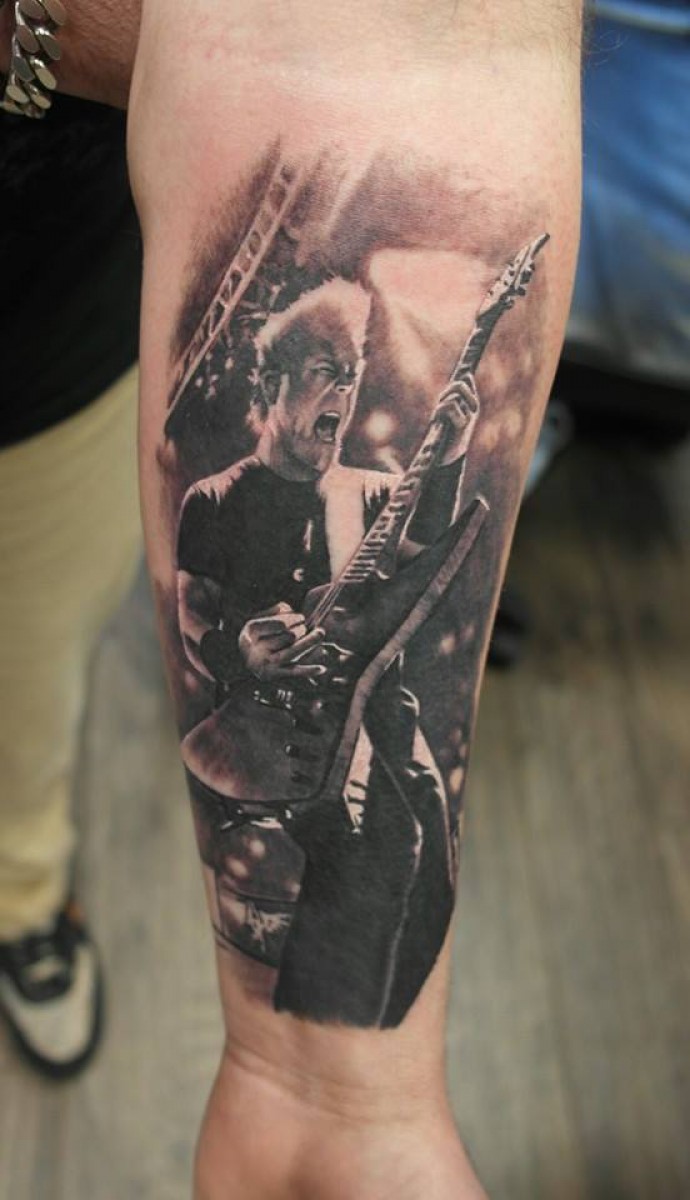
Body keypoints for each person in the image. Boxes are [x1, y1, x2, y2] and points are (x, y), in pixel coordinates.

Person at [176, 277, 480, 1027]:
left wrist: (449, 457)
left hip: (380, 718)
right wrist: (237, 653)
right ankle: (320, 1025)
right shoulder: (215, 500)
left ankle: (378, 1021)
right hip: (280, 739)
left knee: (431, 849)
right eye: (325, 372)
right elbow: (192, 613)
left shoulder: (371, 494)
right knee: (378, 850)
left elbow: (423, 564)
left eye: (352, 374)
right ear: (271, 387)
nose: (343, 391)